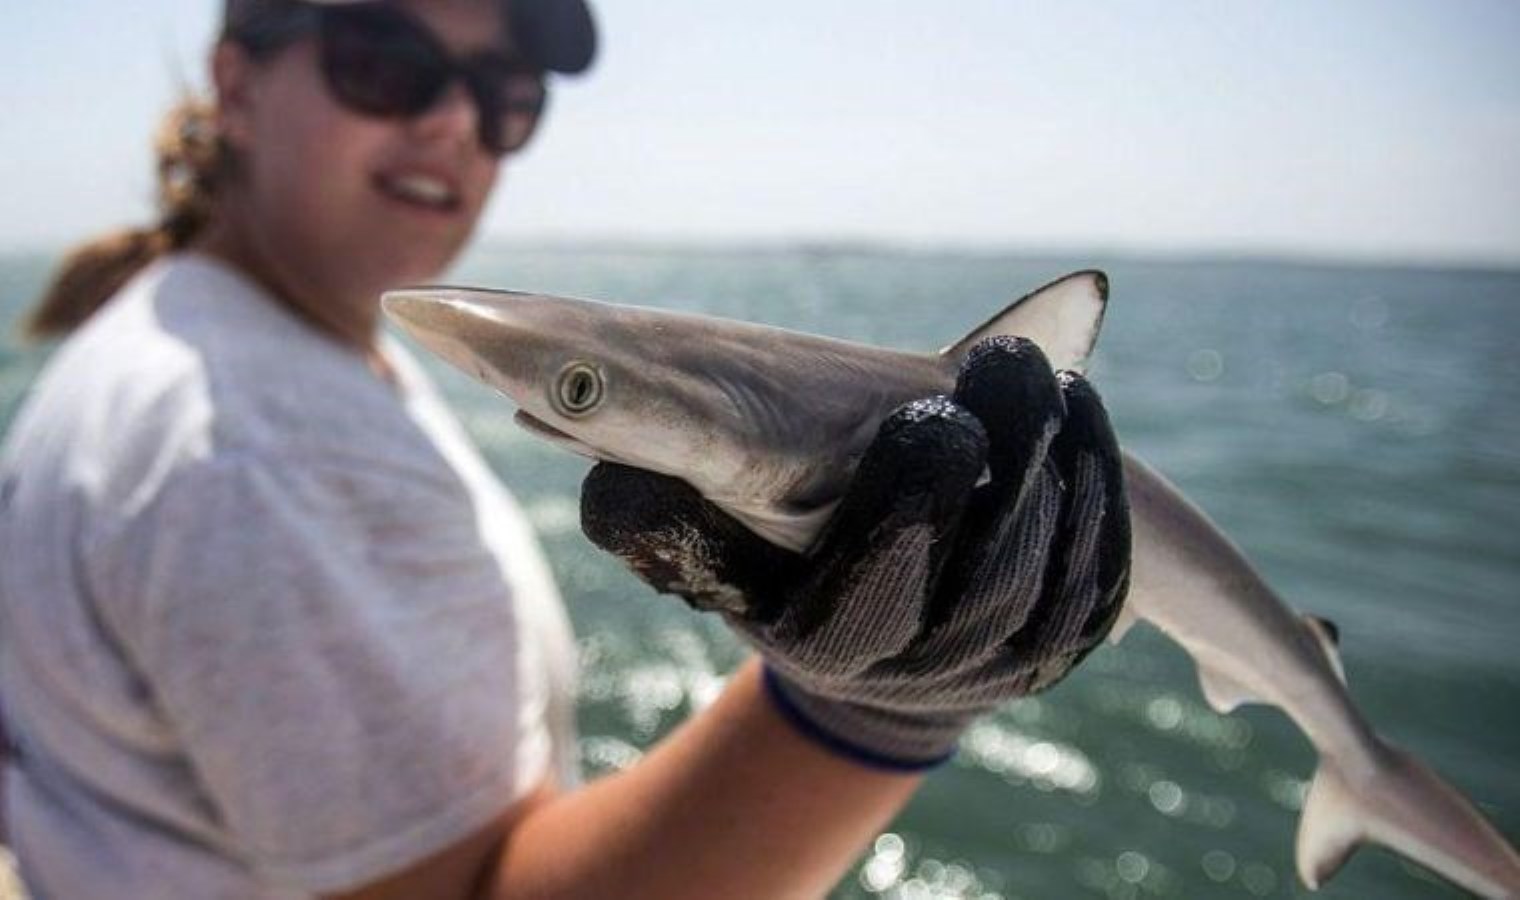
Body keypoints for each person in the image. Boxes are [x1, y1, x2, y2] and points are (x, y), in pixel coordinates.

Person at [0, 0, 1131, 897]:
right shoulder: (259, 452)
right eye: (383, 62)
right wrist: (874, 707)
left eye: (501, 94)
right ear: (237, 85)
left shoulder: (194, 329)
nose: (452, 124)